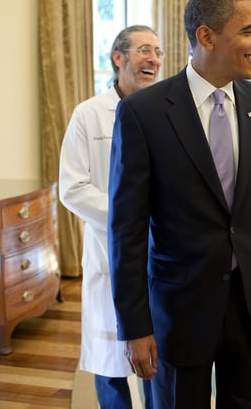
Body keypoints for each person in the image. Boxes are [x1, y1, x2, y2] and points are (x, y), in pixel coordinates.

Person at [107, 0, 251, 409]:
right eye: (248, 31)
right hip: (179, 310)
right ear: (206, 37)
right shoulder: (143, 114)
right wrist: (135, 326)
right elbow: (126, 232)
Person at [59, 25, 162, 408]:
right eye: (143, 50)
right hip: (109, 253)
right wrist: (129, 216)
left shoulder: (166, 112)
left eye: (157, 51)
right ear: (119, 58)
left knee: (157, 358)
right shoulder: (88, 115)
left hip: (160, 254)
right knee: (109, 363)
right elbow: (72, 188)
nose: (153, 58)